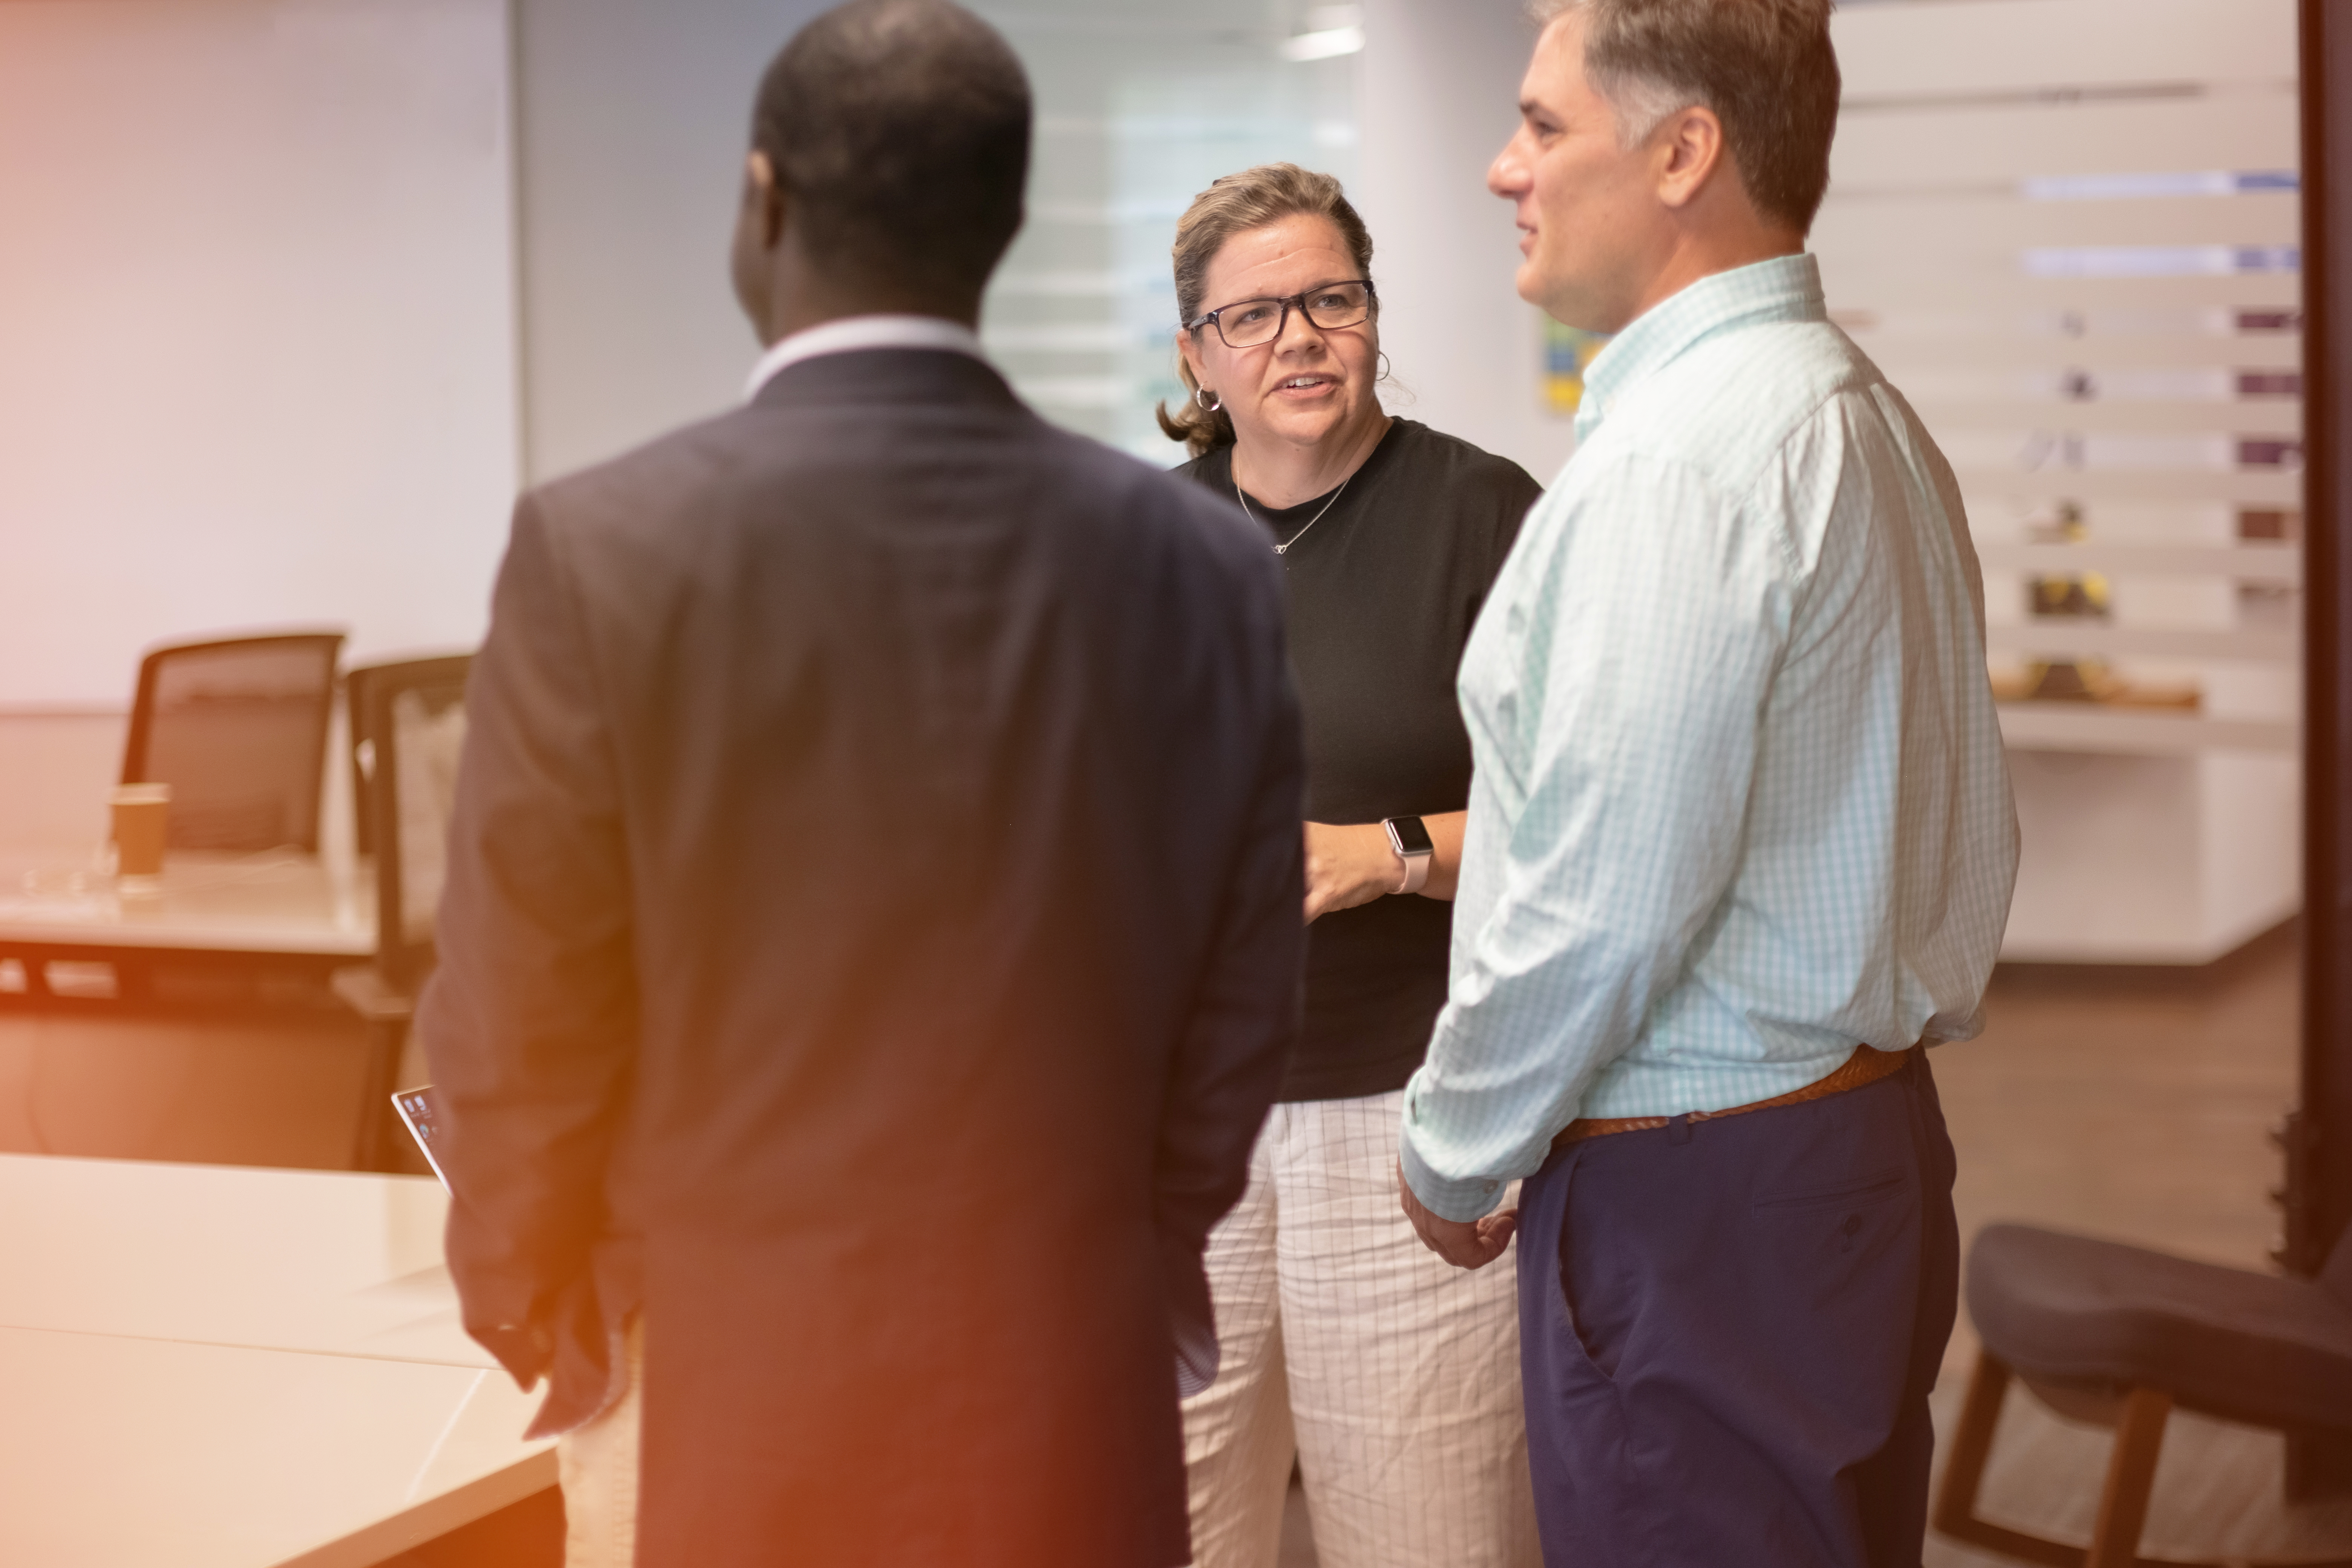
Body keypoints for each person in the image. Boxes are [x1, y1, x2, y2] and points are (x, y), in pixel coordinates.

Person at [417, 3, 1307, 1564]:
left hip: (725, 1378)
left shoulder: (605, 550)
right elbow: (1243, 997)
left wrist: (537, 1307)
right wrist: (1135, 1251)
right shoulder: (1203, 565)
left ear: (762, 201)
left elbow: (518, 1009)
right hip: (1072, 1377)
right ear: (1010, 220)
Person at [1394, 3, 2018, 1566]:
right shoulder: (1851, 409)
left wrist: (1453, 1143)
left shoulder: (1689, 457)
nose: (1499, 169)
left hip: (1703, 1196)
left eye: (1544, 126)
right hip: (1840, 1166)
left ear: (1686, 151)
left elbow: (1600, 895)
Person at [1158, 163, 1545, 1568]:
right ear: (1196, 353)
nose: (1300, 338)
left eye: (1331, 297)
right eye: (1252, 315)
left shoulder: (1485, 517)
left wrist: (1388, 853)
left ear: (1373, 315)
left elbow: (1584, 831)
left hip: (1405, 1123)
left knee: (1423, 1538)